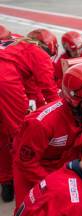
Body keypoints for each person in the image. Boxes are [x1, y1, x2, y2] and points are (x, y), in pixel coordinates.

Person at [11, 62, 82, 206]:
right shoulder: (41, 123)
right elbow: (27, 163)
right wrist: (55, 185)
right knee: (31, 214)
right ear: (75, 100)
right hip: (34, 168)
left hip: (66, 164)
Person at [0, 29, 59, 203]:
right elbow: (50, 90)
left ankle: (5, 181)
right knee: (20, 136)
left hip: (7, 77)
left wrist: (36, 102)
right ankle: (27, 183)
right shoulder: (38, 54)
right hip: (5, 80)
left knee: (2, 134)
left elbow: (31, 85)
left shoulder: (17, 43)